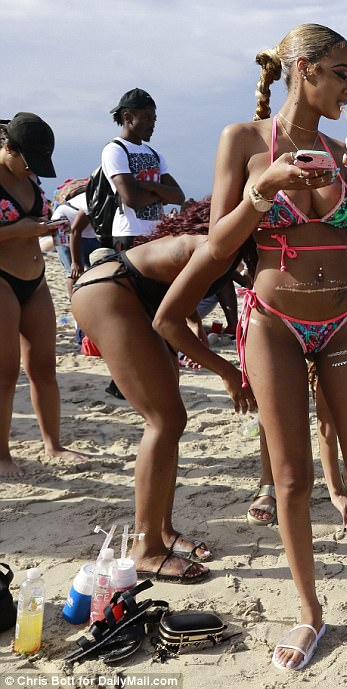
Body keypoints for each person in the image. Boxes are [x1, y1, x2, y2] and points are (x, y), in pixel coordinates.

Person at [202, 23, 347, 672]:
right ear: (304, 69)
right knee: (293, 479)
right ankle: (311, 612)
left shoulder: (336, 147)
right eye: (344, 74)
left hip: (344, 317)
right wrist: (263, 187)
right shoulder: (243, 140)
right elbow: (219, 245)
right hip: (273, 319)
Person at [72, 202, 252, 583]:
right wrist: (227, 372)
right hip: (109, 294)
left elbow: (177, 289)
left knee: (171, 421)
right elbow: (166, 320)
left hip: (131, 293)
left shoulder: (225, 250)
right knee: (164, 420)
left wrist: (197, 323)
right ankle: (145, 548)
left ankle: (163, 532)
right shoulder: (216, 248)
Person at [0, 113, 87, 479]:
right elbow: (18, 229)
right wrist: (18, 230)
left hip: (35, 280)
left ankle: (53, 443)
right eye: (29, 161)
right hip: (2, 279)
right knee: (5, 375)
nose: (32, 170)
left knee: (44, 369)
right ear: (9, 148)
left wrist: (43, 228)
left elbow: (35, 227)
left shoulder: (30, 176)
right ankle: (2, 455)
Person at [102, 89, 185, 251]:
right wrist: (162, 195)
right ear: (127, 117)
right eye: (146, 118)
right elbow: (132, 200)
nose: (152, 124)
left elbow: (179, 196)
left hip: (158, 233)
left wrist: (151, 186)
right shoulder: (115, 150)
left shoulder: (155, 154)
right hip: (130, 234)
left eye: (154, 119)